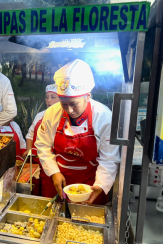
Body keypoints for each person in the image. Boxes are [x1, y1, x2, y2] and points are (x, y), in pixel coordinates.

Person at [35, 60, 120, 204]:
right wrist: (54, 172)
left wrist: (100, 186)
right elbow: (43, 146)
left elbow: (109, 158)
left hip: (91, 184)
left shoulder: (104, 117)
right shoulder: (52, 113)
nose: (69, 110)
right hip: (58, 180)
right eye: (64, 104)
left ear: (87, 96)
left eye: (74, 104)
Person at [21, 84, 60, 195]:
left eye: (53, 97)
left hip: (52, 163)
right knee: (35, 191)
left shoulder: (63, 117)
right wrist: (29, 150)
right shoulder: (40, 115)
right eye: (47, 97)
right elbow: (30, 134)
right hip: (36, 162)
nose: (49, 100)